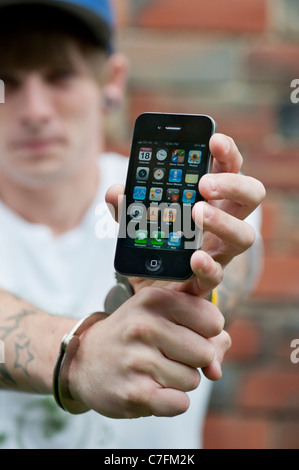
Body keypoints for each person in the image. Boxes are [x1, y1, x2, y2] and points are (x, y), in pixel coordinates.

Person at [0, 0, 265, 449]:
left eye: (60, 76)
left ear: (113, 83)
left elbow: (238, 259)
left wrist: (203, 282)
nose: (35, 111)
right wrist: (79, 357)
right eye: (5, 82)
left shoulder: (193, 198)